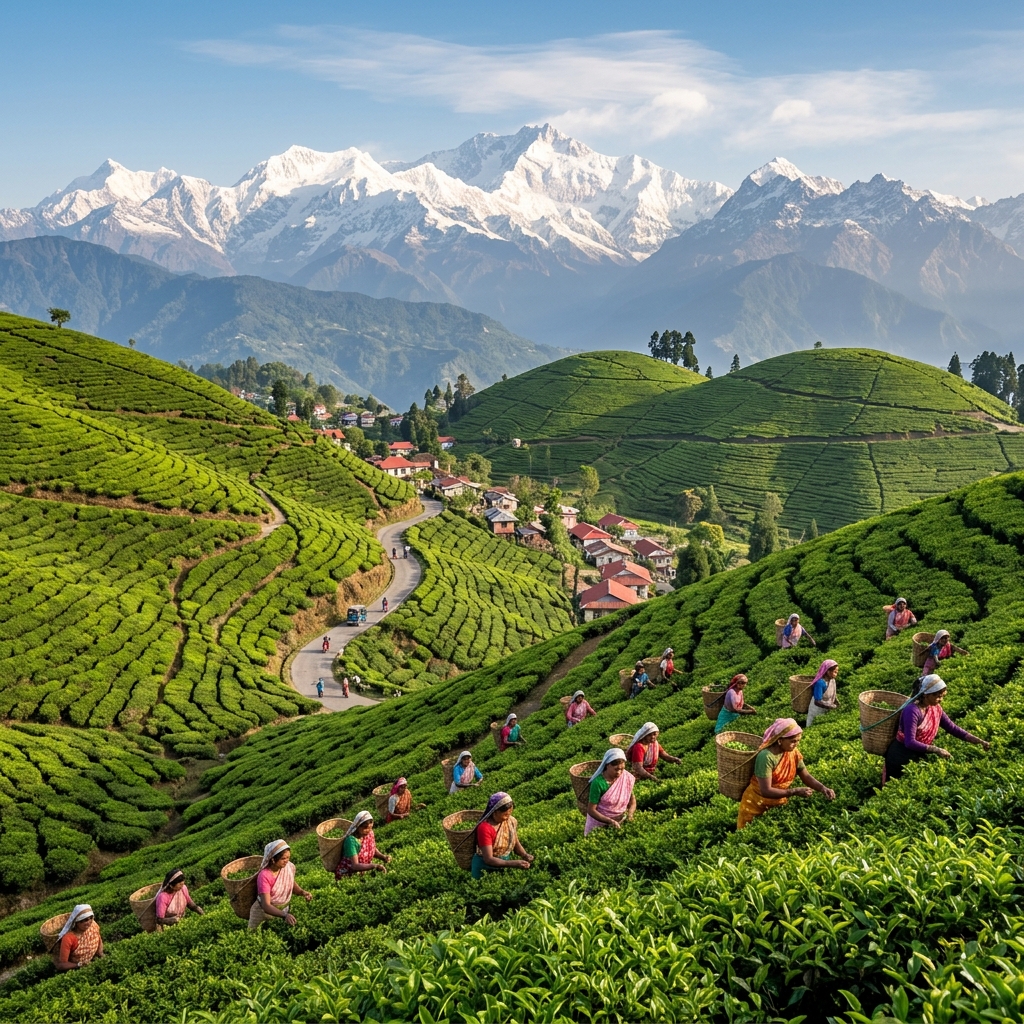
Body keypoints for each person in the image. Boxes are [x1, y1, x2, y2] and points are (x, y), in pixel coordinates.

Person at [883, 674, 990, 783]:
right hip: (901, 756)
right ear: (925, 695)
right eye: (938, 696)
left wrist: (979, 741)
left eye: (942, 696)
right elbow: (909, 742)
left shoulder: (935, 708)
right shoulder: (912, 711)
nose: (941, 699)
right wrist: (936, 749)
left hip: (919, 753)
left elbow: (952, 728)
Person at [736, 719, 835, 830]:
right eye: (793, 741)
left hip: (778, 799)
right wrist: (794, 791)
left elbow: (805, 775)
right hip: (756, 803)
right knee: (749, 833)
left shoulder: (793, 752)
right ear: (780, 741)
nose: (795, 744)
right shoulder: (766, 757)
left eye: (798, 741)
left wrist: (823, 788)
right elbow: (766, 790)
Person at [249, 840, 312, 930]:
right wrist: (284, 915)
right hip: (263, 914)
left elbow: (290, 883)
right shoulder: (264, 876)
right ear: (273, 859)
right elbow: (266, 905)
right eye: (283, 858)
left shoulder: (287, 867)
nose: (286, 861)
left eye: (288, 858)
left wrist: (303, 892)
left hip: (282, 911)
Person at [471, 792, 533, 878]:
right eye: (505, 814)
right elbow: (488, 859)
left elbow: (515, 842)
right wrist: (512, 863)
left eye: (510, 813)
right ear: (495, 812)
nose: (508, 817)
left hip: (503, 864)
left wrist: (525, 855)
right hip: (484, 867)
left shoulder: (510, 821)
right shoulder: (484, 828)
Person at [585, 748, 636, 835]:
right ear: (607, 765)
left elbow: (632, 801)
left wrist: (630, 814)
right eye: (616, 769)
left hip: (620, 822)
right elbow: (591, 810)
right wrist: (609, 821)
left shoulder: (626, 777)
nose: (619, 772)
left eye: (622, 769)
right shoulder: (598, 783)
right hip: (599, 825)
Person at [335, 811, 391, 877]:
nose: (368, 830)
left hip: (362, 872)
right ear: (358, 826)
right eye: (365, 827)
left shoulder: (369, 833)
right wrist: (374, 866)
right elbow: (355, 865)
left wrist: (383, 857)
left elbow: (371, 849)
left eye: (370, 827)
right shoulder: (351, 841)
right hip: (348, 875)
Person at [55, 904, 103, 971]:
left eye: (91, 918)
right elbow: (62, 965)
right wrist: (79, 965)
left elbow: (98, 938)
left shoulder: (93, 925)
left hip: (92, 962)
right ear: (77, 922)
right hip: (76, 969)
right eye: (85, 920)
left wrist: (101, 954)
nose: (89, 922)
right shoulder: (68, 938)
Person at [805, 659, 839, 728]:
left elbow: (833, 694)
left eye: (837, 672)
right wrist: (830, 706)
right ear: (828, 672)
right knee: (813, 727)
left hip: (826, 709)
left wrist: (837, 703)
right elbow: (817, 701)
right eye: (835, 672)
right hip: (816, 711)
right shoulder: (820, 683)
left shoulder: (832, 680)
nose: (836, 674)